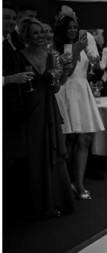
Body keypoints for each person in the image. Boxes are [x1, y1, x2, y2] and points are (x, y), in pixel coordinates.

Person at [4, 17, 75, 219]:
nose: (40, 36)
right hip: (28, 110)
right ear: (26, 36)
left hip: (48, 108)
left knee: (52, 152)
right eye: (35, 33)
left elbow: (56, 87)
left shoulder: (52, 56)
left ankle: (56, 200)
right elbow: (19, 86)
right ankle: (36, 204)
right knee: (33, 155)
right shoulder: (18, 56)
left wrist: (63, 73)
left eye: (42, 32)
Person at [53, 14, 105, 200]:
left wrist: (93, 66)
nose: (73, 30)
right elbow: (69, 71)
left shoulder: (81, 46)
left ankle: (80, 183)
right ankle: (65, 183)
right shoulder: (60, 48)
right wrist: (77, 49)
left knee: (85, 140)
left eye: (75, 27)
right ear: (62, 30)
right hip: (67, 91)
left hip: (83, 91)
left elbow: (85, 71)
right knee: (68, 141)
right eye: (69, 28)